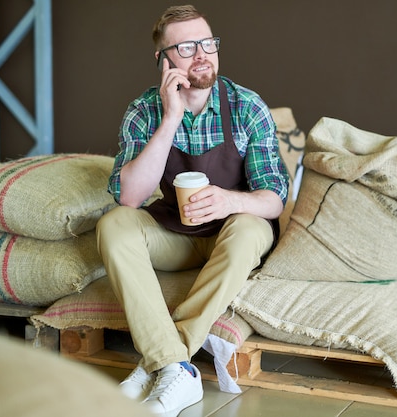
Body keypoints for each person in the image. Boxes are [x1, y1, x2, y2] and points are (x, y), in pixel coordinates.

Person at [96, 5, 288, 417]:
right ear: (163, 60)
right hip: (175, 235)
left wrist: (229, 200)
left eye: (207, 42)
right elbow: (129, 196)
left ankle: (164, 362)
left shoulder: (247, 107)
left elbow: (274, 197)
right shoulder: (144, 111)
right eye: (185, 47)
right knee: (113, 225)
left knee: (253, 229)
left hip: (231, 233)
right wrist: (171, 118)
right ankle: (175, 366)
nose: (201, 53)